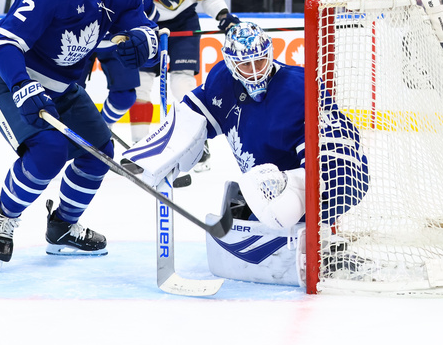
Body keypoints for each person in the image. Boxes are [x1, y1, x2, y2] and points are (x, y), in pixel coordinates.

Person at [0, 0, 159, 268]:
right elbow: (1, 44)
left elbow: (143, 27)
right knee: (48, 152)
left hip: (65, 85)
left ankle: (61, 226)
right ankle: (4, 216)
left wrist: (143, 41)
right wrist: (21, 86)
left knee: (99, 152)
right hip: (13, 78)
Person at [132, 23, 368, 286]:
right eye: (246, 65)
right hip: (260, 191)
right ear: (231, 63)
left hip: (306, 186)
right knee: (256, 191)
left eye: (260, 60)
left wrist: (293, 185)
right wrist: (156, 155)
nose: (256, 73)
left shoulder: (299, 90)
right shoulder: (222, 81)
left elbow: (341, 166)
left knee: (282, 207)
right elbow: (190, 116)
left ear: (270, 53)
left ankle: (322, 237)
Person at [126, 0, 240, 146]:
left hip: (183, 23)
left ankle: (197, 143)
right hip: (148, 24)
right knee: (141, 85)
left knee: (183, 85)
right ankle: (138, 145)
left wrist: (222, 15)